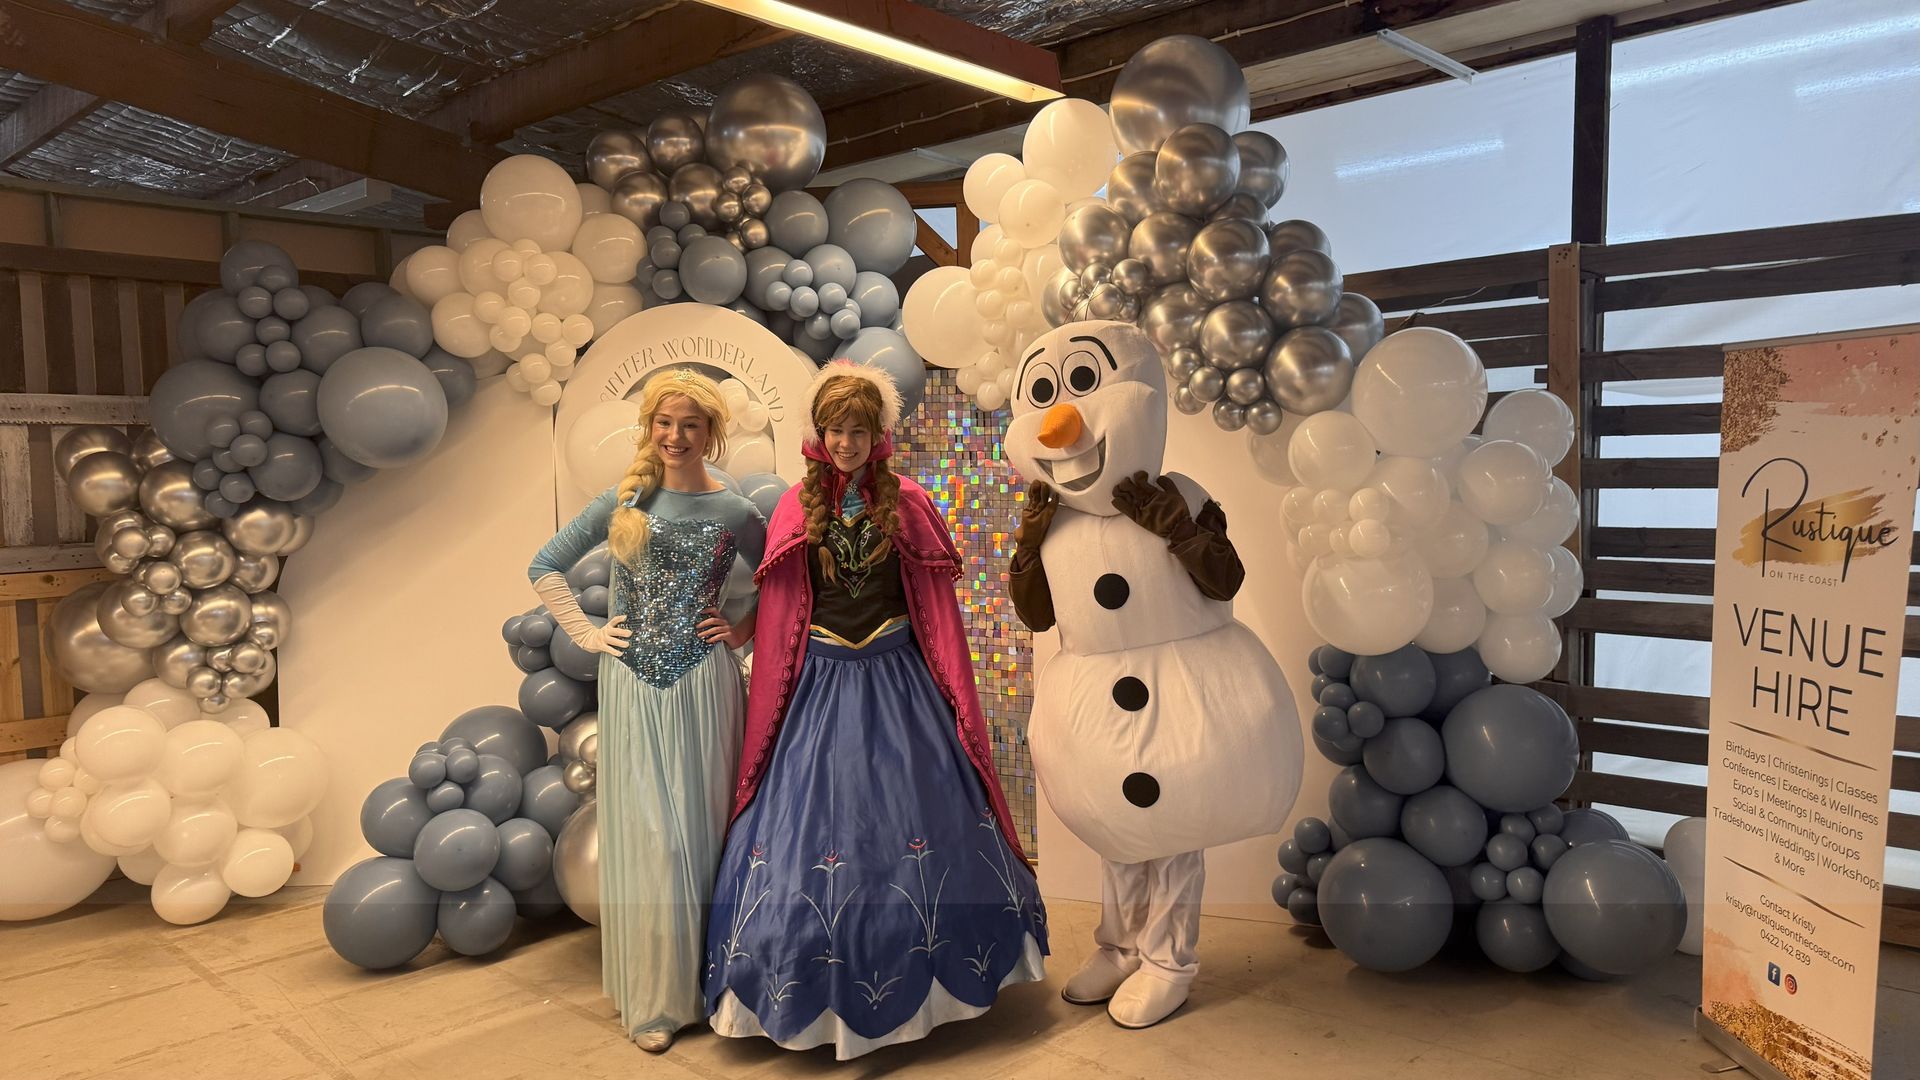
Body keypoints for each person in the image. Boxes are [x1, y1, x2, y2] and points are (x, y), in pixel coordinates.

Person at [703, 361, 1047, 1059]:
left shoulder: (912, 502)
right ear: (819, 432)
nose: (846, 442)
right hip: (821, 686)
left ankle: (930, 990)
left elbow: (933, 608)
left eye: (859, 429)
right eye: (836, 429)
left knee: (913, 816)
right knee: (816, 824)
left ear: (877, 433)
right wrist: (740, 633)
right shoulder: (798, 507)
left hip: (898, 685)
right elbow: (781, 603)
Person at [528, 368, 766, 1053]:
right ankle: (655, 999)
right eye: (665, 423)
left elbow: (779, 581)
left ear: (712, 433)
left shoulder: (735, 511)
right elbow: (545, 565)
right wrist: (589, 633)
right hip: (631, 684)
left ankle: (709, 986)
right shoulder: (622, 499)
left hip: (705, 684)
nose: (676, 436)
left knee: (701, 834)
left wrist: (740, 628)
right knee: (651, 839)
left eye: (691, 424)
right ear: (649, 428)